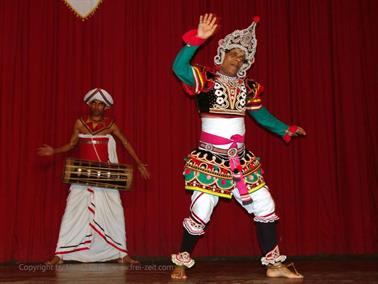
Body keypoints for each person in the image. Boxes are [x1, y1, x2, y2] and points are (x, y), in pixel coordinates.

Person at [170, 14, 306, 279]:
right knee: (202, 209)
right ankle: (182, 260)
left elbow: (261, 115)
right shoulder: (205, 79)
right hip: (210, 160)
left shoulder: (248, 88)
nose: (237, 60)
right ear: (221, 55)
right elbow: (178, 67)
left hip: (241, 161)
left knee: (265, 204)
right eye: (233, 54)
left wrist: (285, 128)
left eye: (242, 58)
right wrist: (197, 39)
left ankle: (273, 265)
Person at [38, 88, 150, 265]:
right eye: (94, 103)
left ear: (106, 108)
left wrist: (138, 163)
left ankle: (122, 254)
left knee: (116, 212)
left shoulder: (110, 124)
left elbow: (125, 142)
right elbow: (71, 144)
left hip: (106, 176)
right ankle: (59, 255)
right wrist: (54, 151)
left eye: (101, 104)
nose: (97, 106)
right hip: (83, 175)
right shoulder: (80, 123)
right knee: (71, 212)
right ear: (89, 104)